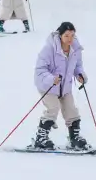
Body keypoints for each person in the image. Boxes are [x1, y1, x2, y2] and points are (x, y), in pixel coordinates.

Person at [32, 21, 90, 151]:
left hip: (65, 87)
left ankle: (74, 138)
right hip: (48, 86)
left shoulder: (75, 49)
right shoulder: (49, 49)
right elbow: (40, 70)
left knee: (71, 110)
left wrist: (80, 74)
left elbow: (78, 66)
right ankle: (41, 138)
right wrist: (51, 79)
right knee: (53, 108)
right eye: (66, 36)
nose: (70, 39)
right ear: (60, 35)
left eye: (72, 35)